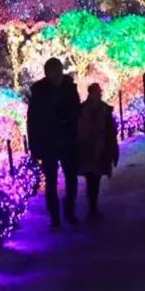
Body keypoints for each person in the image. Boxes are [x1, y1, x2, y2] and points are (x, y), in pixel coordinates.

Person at [27, 58, 81, 228]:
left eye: (58, 72)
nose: (56, 76)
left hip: (67, 140)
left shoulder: (69, 88)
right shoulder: (39, 92)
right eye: (53, 73)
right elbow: (33, 121)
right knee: (51, 182)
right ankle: (55, 217)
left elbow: (77, 113)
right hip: (48, 142)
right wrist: (34, 146)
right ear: (47, 74)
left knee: (71, 178)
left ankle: (69, 211)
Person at [77, 83, 119, 219]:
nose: (99, 94)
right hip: (88, 149)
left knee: (94, 179)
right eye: (97, 92)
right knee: (92, 179)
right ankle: (92, 207)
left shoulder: (102, 109)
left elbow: (111, 131)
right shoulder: (88, 109)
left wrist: (113, 150)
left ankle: (92, 207)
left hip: (99, 149)